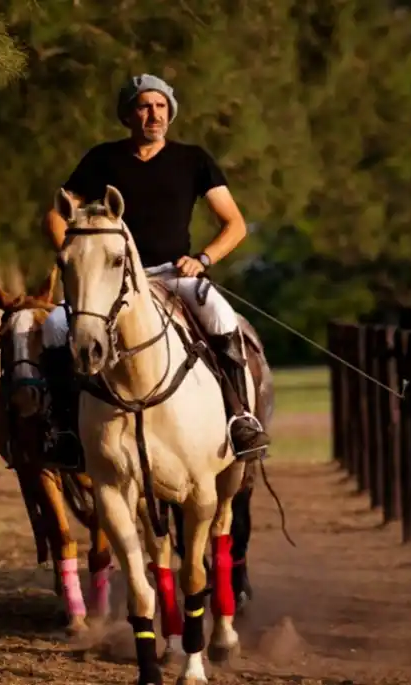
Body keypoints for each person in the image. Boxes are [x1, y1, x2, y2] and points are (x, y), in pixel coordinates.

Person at [38, 73, 270, 470]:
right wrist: (78, 259)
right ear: (128, 115)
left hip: (173, 275)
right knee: (55, 327)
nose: (154, 114)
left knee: (219, 315)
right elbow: (55, 215)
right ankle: (64, 431)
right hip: (110, 284)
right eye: (144, 107)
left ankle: (239, 418)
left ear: (170, 112)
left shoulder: (193, 159)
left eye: (161, 106)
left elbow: (234, 224)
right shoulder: (101, 159)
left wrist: (205, 259)